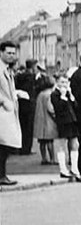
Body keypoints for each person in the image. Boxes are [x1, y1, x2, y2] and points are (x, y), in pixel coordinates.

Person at [50, 75, 81, 182]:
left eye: (66, 82)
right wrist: (63, 97)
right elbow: (59, 108)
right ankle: (63, 169)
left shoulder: (69, 93)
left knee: (75, 144)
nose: (64, 84)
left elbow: (76, 107)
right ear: (57, 82)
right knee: (62, 145)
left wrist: (72, 97)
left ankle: (75, 169)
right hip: (63, 122)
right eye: (62, 82)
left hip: (72, 121)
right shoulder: (55, 94)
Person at [0, 41, 24, 186]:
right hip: (2, 112)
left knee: (5, 145)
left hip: (8, 113)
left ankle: (2, 175)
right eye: (8, 53)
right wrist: (3, 101)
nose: (11, 56)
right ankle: (1, 176)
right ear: (1, 53)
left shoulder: (7, 69)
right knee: (3, 145)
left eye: (13, 53)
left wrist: (15, 94)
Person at [33, 68, 58, 165]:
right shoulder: (50, 94)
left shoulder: (40, 94)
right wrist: (56, 116)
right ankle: (52, 159)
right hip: (48, 121)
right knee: (49, 141)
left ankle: (44, 158)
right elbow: (50, 108)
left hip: (40, 120)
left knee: (42, 142)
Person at [15, 59, 36, 155]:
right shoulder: (31, 77)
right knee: (28, 128)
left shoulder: (19, 76)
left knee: (22, 127)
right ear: (32, 67)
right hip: (29, 105)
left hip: (20, 104)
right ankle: (26, 148)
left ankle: (21, 147)